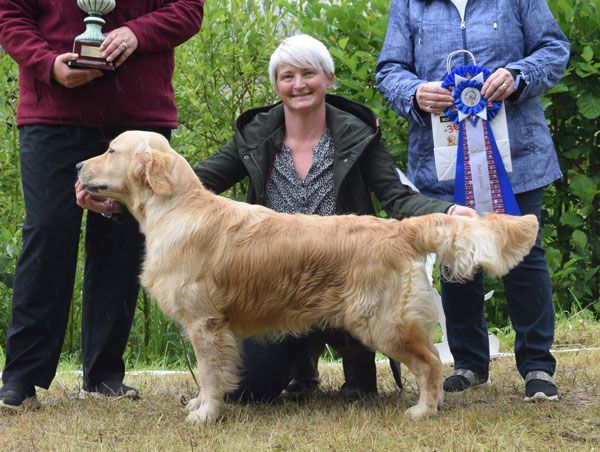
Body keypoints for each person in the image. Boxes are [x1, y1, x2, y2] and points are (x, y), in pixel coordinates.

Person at [79, 33, 476, 402]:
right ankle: (300, 369)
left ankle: (360, 369)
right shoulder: (256, 136)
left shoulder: (358, 135)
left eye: (309, 74)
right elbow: (186, 186)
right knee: (251, 391)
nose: (298, 84)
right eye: (288, 76)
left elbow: (397, 196)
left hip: (346, 269)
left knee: (372, 334)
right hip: (277, 285)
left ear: (329, 79)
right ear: (276, 85)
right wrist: (115, 195)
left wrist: (446, 212)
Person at [0, 0, 204, 411]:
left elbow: (188, 9)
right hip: (53, 112)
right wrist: (48, 64)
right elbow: (9, 13)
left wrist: (137, 32)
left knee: (123, 237)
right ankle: (21, 378)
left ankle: (104, 375)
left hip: (139, 117)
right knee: (48, 232)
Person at [375, 0, 569, 400]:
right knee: (453, 259)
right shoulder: (408, 5)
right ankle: (468, 362)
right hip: (442, 161)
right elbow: (388, 70)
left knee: (526, 256)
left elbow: (554, 49)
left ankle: (537, 365)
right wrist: (414, 93)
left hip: (519, 159)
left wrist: (518, 74)